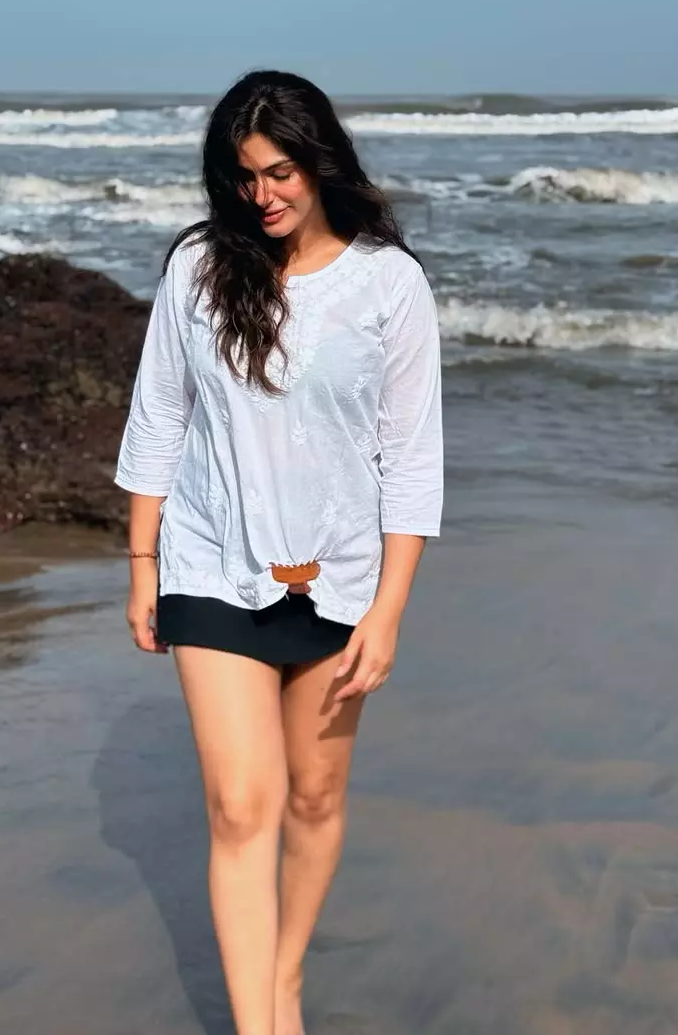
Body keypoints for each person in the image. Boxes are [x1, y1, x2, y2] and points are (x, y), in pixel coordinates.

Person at [113, 70, 444, 1035]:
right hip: (211, 563)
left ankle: (284, 978)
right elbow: (158, 415)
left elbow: (411, 459)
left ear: (320, 162)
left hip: (339, 579)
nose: (262, 194)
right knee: (240, 805)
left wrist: (389, 610)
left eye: (280, 172)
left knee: (315, 794)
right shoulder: (199, 268)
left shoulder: (389, 284)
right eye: (245, 175)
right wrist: (142, 565)